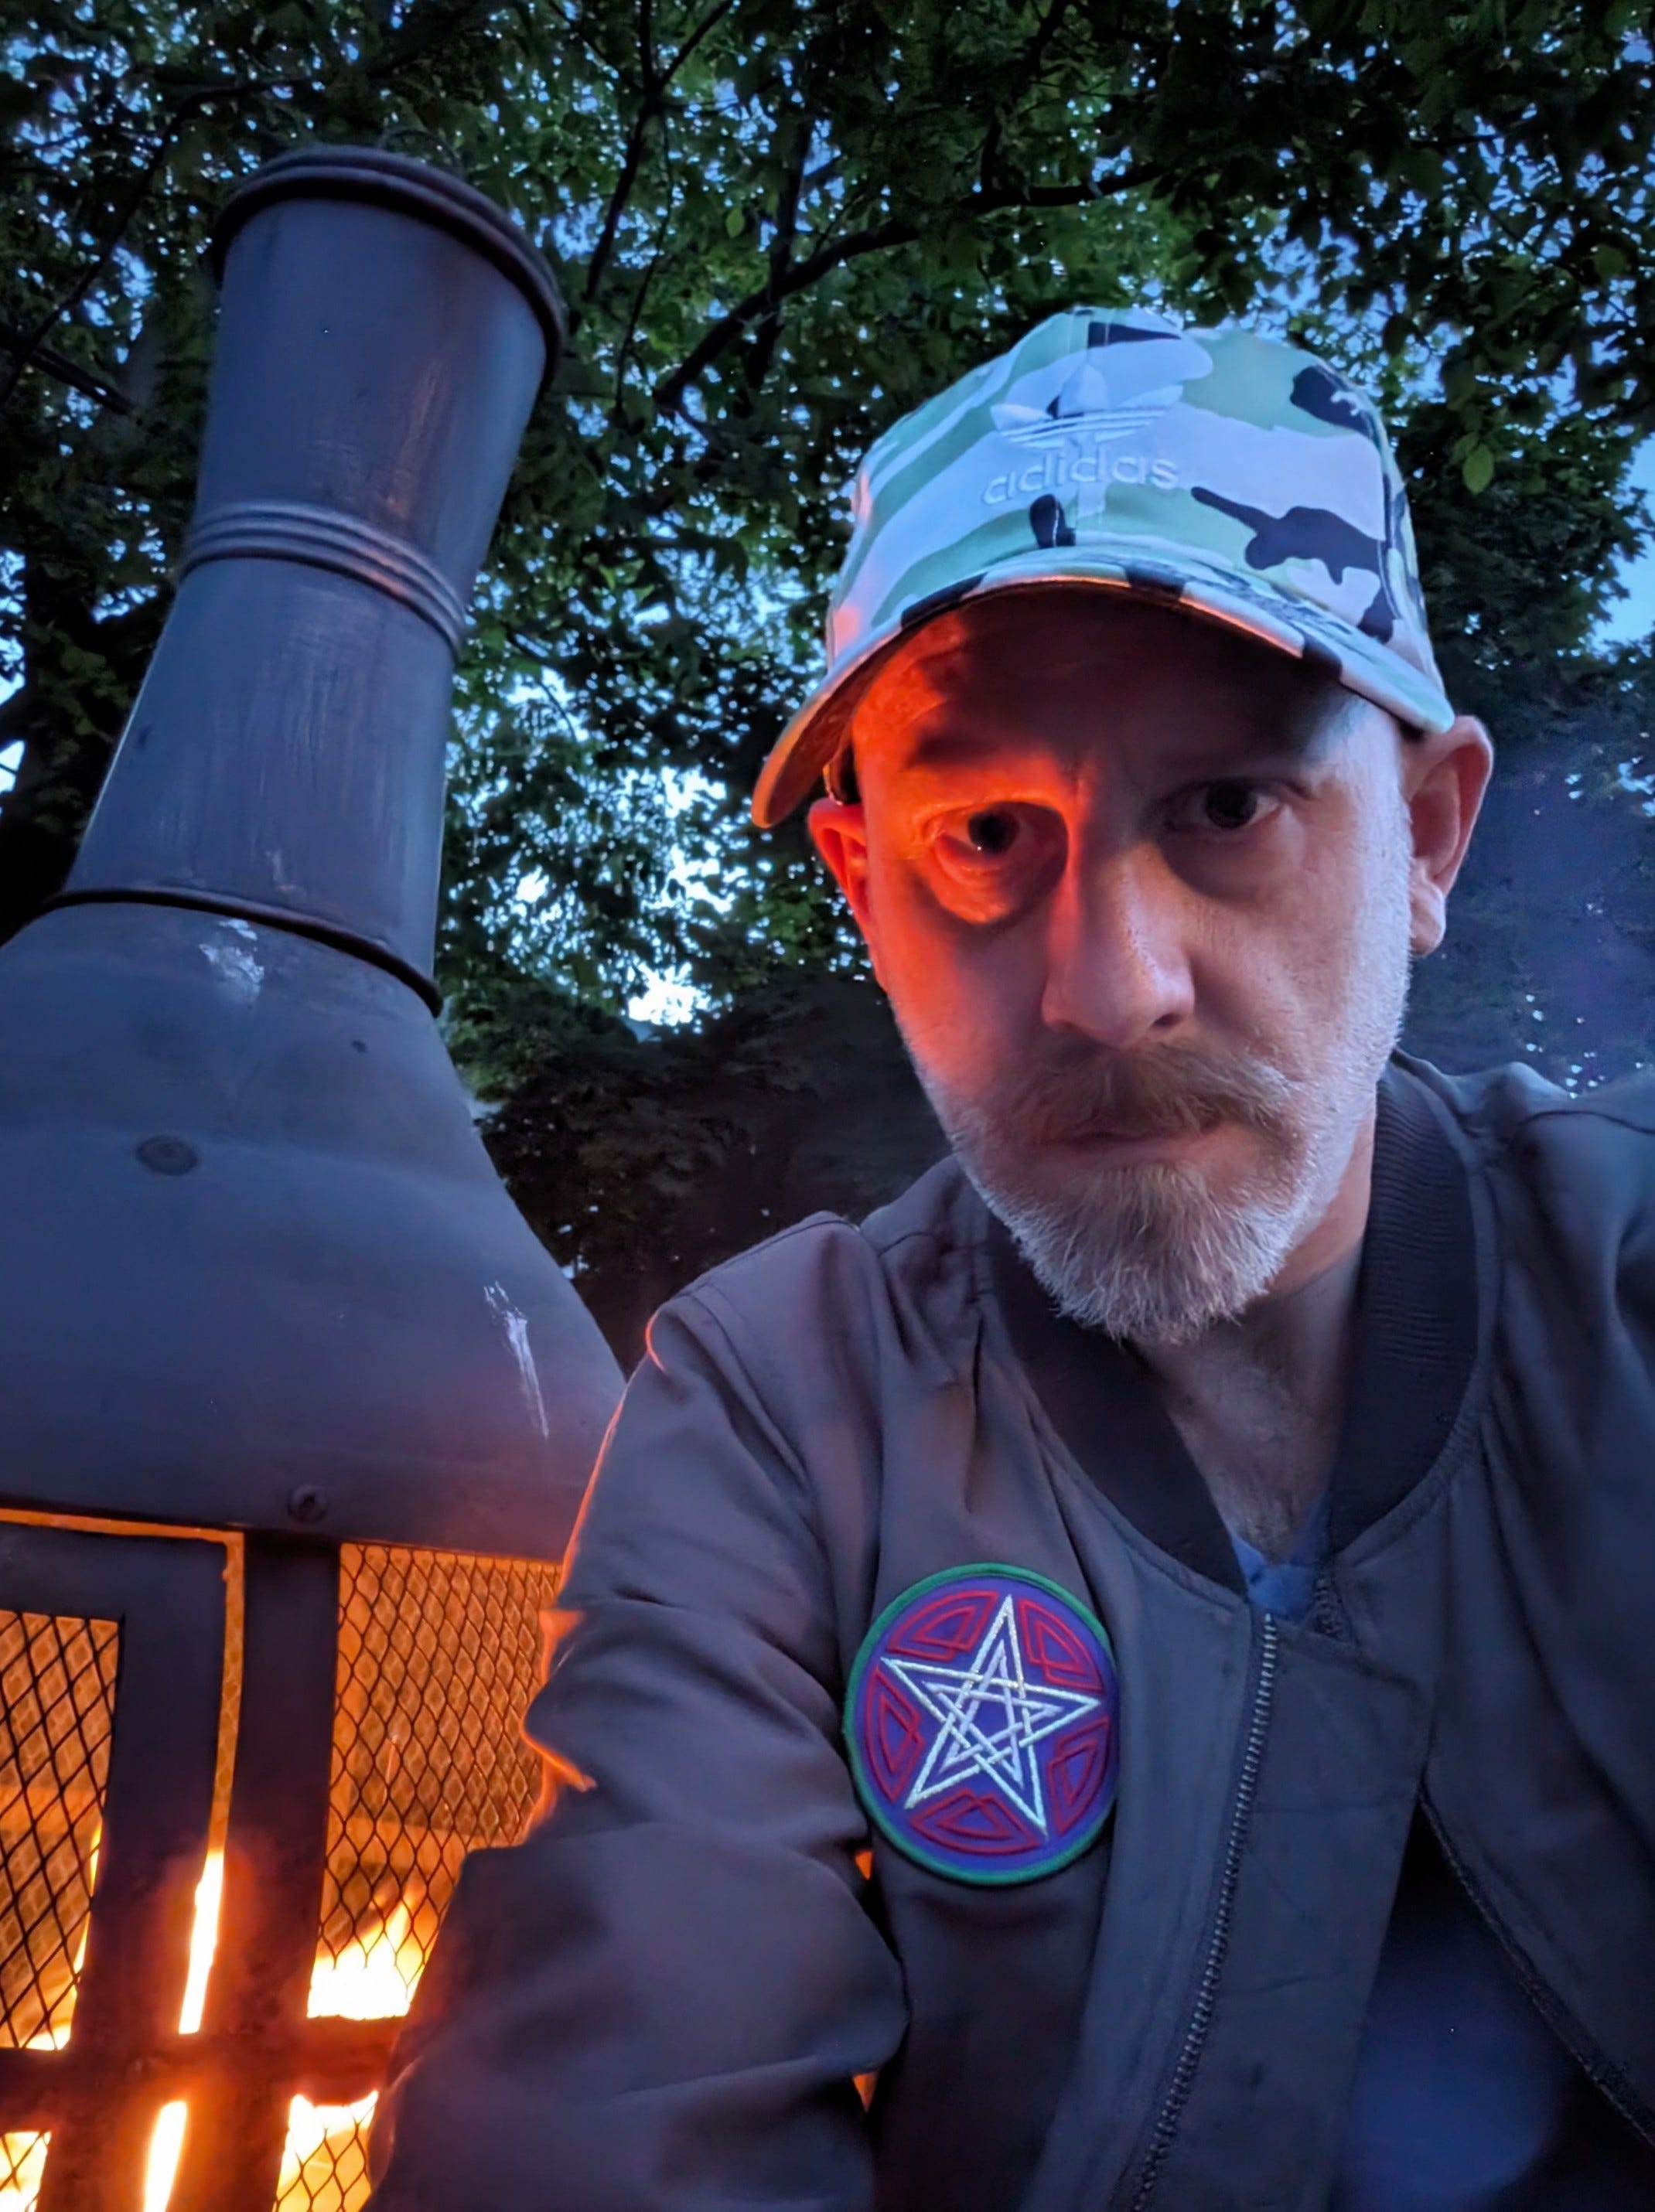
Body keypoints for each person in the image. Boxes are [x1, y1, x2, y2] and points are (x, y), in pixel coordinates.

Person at [369, 309, 1655, 2211]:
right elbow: (611, 2110)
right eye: (982, 833)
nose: (1108, 989)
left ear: (1425, 834)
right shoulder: (783, 1405)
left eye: (1224, 807)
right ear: (862, 888)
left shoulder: (1624, 1285)